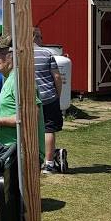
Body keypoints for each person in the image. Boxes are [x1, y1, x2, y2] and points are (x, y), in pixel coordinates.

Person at [0, 34, 44, 162]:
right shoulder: (10, 78)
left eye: (0, 53)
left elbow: (30, 117)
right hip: (13, 153)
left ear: (15, 54)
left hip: (23, 155)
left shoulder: (20, 79)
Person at [33, 27, 65, 174]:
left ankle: (33, 159)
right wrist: (58, 95)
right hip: (48, 96)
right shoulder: (47, 53)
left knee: (32, 128)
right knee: (49, 129)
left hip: (31, 97)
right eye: (40, 37)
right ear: (34, 37)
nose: (42, 40)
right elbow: (57, 77)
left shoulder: (20, 55)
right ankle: (49, 163)